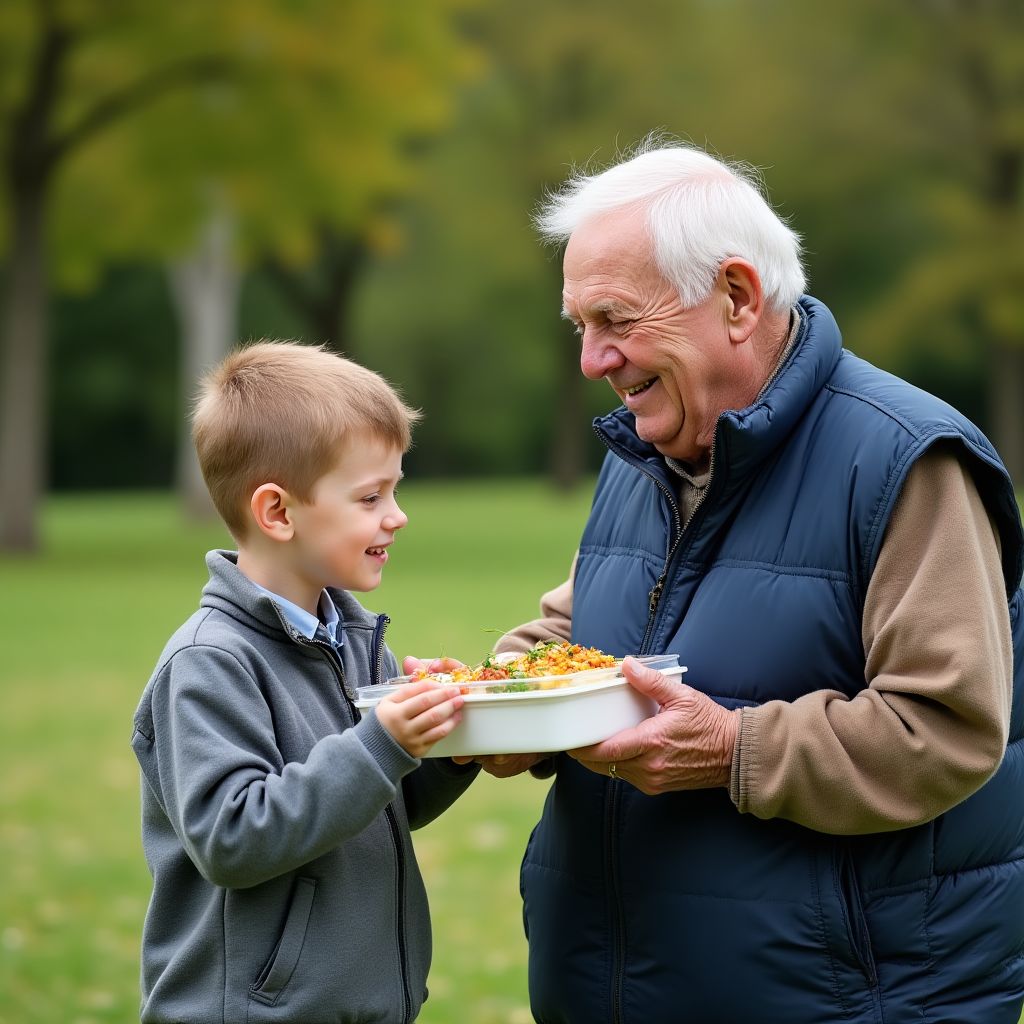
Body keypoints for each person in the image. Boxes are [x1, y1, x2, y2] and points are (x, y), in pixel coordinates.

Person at [457, 140, 1024, 1023]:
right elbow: (580, 635)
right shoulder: (646, 449)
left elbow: (945, 728)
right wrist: (496, 698)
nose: (592, 360)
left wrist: (731, 749)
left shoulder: (905, 460)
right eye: (580, 327)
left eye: (615, 319)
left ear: (735, 297)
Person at [131, 341, 477, 1023]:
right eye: (371, 496)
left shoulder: (353, 638)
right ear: (278, 512)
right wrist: (381, 743)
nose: (397, 514)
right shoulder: (209, 662)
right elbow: (234, 838)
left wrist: (443, 747)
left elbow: (375, 805)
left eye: (395, 489)